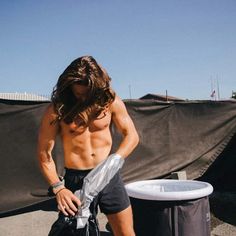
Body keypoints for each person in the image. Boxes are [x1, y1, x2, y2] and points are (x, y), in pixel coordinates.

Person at [37, 56, 139, 236]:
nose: (84, 99)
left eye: (88, 94)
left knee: (126, 233)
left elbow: (132, 136)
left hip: (108, 175)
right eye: (78, 94)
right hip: (76, 181)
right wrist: (58, 188)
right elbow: (44, 154)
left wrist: (115, 160)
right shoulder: (57, 110)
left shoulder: (110, 102)